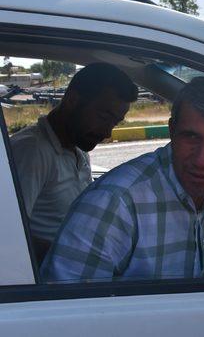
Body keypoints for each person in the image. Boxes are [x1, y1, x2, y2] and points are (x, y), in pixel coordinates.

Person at [42, 76, 204, 282]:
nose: (202, 160)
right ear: (172, 131)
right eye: (191, 137)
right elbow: (62, 315)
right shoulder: (114, 204)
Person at [10, 62, 138, 260]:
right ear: (72, 100)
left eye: (114, 122)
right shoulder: (31, 152)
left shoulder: (77, 145)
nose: (107, 132)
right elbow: (10, 235)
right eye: (104, 116)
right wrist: (74, 256)